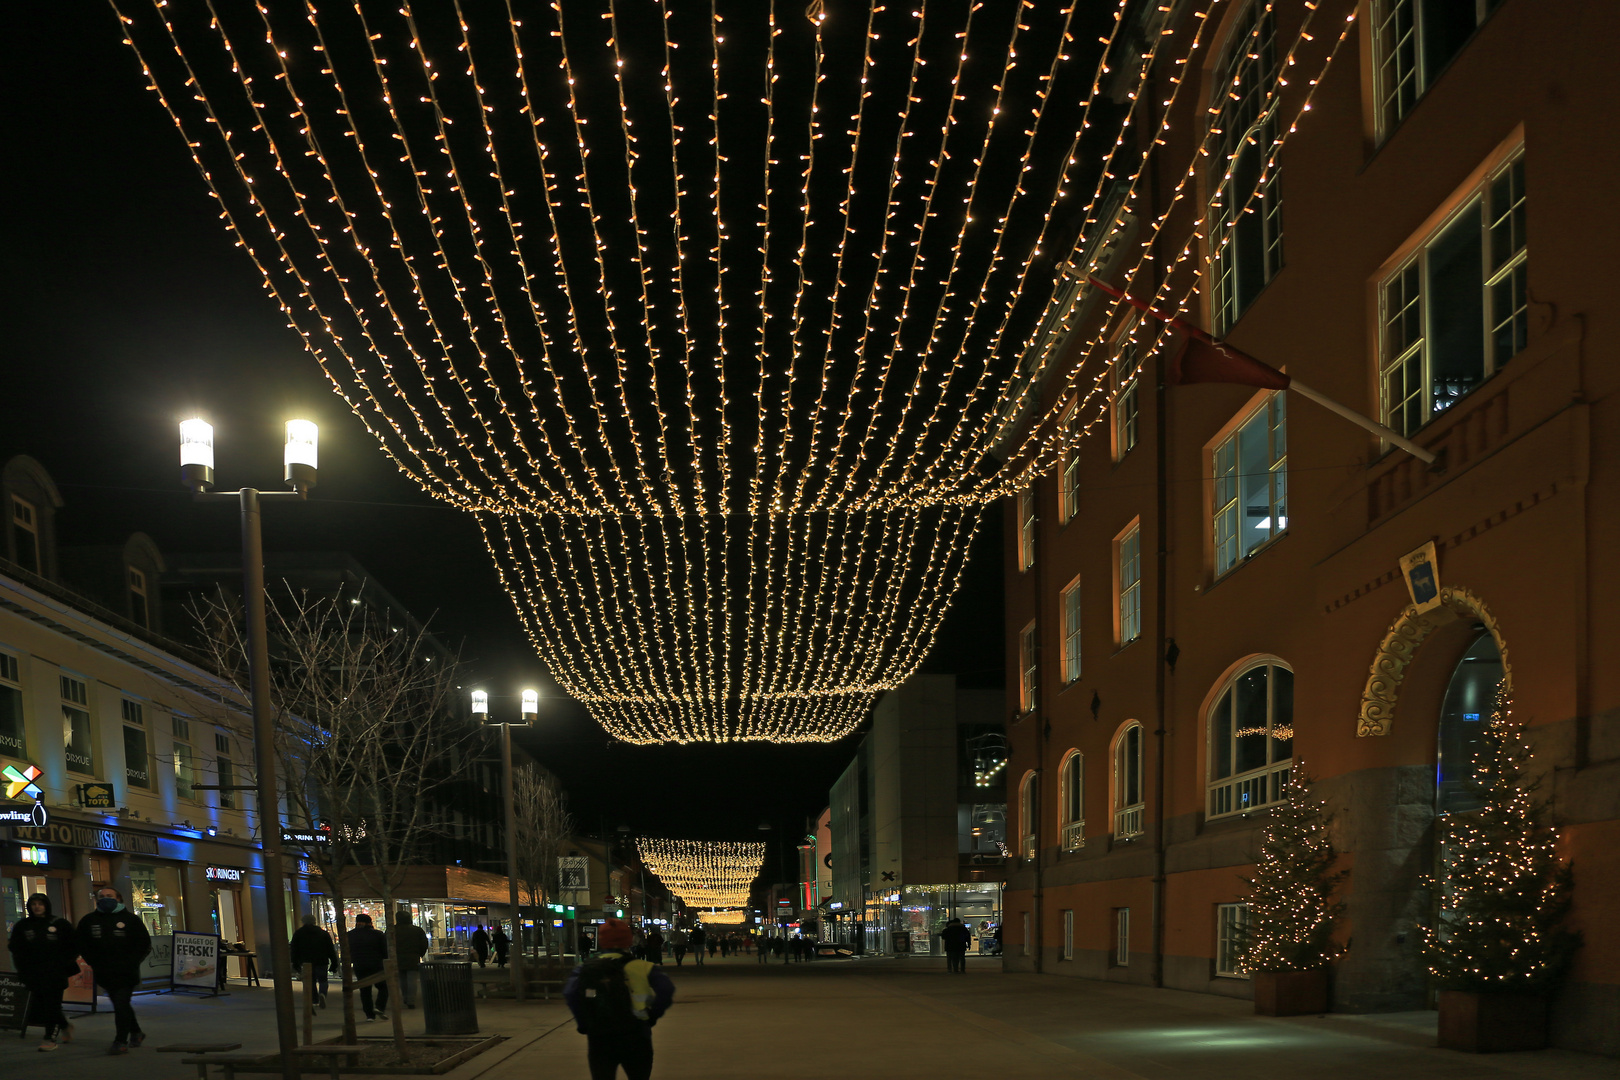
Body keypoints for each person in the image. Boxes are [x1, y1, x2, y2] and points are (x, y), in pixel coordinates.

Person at [563, 918, 674, 1080]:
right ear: (628, 941)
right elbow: (666, 990)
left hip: (600, 1035)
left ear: (602, 940)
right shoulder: (642, 967)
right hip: (636, 1033)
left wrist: (584, 1023)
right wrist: (652, 1016)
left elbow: (570, 994)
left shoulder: (586, 968)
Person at [77, 886, 151, 1054]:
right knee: (121, 1005)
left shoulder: (130, 920)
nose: (105, 898)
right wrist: (93, 962)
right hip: (104, 972)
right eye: (101, 896)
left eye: (109, 896)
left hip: (127, 973)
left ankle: (120, 1041)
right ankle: (137, 1032)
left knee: (120, 1003)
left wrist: (132, 962)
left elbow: (144, 944)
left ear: (118, 899)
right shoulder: (89, 920)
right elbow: (82, 944)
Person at [8, 893, 78, 1050]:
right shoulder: (23, 926)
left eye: (40, 904)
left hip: (55, 972)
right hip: (34, 973)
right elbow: (16, 949)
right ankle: (65, 1026)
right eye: (34, 904)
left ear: (46, 905)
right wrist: (22, 970)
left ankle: (50, 1039)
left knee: (52, 1005)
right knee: (45, 1005)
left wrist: (63, 963)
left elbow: (73, 945)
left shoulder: (60, 924)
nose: (37, 907)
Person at [289, 913, 339, 1007]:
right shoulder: (323, 933)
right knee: (323, 980)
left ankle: (315, 1000)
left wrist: (295, 963)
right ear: (314, 922)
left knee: (310, 981)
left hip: (306, 961)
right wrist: (334, 963)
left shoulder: (298, 933)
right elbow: (330, 949)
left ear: (303, 922)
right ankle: (323, 994)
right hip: (321, 960)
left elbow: (294, 949)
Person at [348, 913, 390, 1022]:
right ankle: (379, 1007)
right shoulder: (378, 934)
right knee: (383, 987)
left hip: (359, 965)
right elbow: (385, 951)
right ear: (370, 923)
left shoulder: (350, 935)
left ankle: (369, 1015)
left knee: (365, 990)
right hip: (376, 965)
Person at [393, 909, 430, 1008]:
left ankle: (405, 997)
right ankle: (411, 1000)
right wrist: (420, 954)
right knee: (412, 979)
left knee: (402, 979)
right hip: (413, 957)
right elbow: (424, 944)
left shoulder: (393, 930)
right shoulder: (417, 930)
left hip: (398, 957)